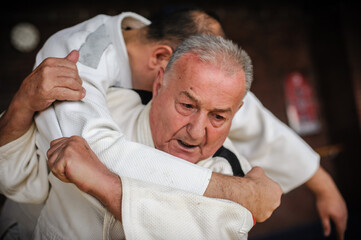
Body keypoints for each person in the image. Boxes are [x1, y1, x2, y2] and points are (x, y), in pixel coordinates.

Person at [0, 7, 347, 239]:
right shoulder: (77, 56)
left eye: (218, 115)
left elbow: (248, 112)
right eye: (187, 104)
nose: (198, 130)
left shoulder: (225, 157)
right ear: (161, 71)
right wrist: (239, 194)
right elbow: (88, 156)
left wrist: (322, 183)